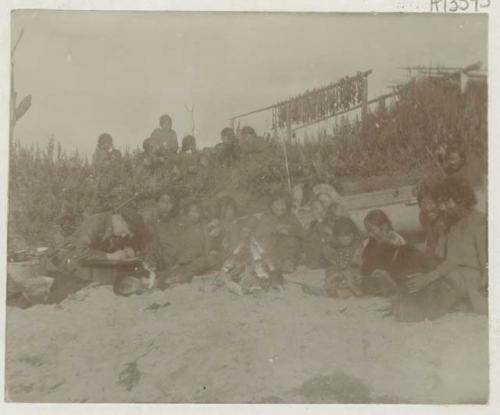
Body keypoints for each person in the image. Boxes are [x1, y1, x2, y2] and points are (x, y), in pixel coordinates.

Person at [400, 177, 487, 320]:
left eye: (445, 202)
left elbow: (487, 260)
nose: (441, 207)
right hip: (455, 277)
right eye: (440, 203)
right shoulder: (454, 225)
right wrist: (427, 278)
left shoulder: (480, 221)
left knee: (441, 288)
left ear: (460, 199)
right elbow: (449, 261)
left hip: (473, 280)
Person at [47, 207, 152, 303]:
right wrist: (111, 256)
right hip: (73, 259)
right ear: (120, 220)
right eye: (124, 231)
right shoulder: (96, 222)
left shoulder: (114, 225)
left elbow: (109, 246)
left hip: (93, 260)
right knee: (97, 283)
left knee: (117, 278)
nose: (123, 235)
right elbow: (82, 252)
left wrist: (127, 250)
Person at [158, 201, 221, 288]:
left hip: (199, 259)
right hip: (183, 260)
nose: (195, 214)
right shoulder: (180, 226)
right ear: (187, 213)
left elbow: (207, 245)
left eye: (198, 212)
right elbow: (177, 247)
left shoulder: (203, 226)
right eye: (192, 211)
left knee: (205, 261)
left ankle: (180, 278)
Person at [254, 193, 304, 273]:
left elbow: (300, 232)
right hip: (271, 251)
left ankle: (288, 263)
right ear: (272, 206)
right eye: (277, 204)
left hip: (286, 250)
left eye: (283, 204)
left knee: (292, 241)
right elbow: (258, 233)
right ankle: (270, 265)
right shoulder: (266, 217)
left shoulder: (291, 217)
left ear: (286, 205)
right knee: (265, 243)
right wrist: (275, 230)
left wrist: (288, 231)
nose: (280, 207)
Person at [322, 217, 363, 298]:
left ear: (353, 234)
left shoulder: (357, 246)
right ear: (336, 237)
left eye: (348, 235)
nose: (345, 239)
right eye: (341, 236)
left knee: (355, 275)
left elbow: (358, 263)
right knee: (331, 271)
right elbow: (330, 256)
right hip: (340, 272)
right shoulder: (336, 247)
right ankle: (335, 288)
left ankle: (354, 289)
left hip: (353, 271)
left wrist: (351, 268)